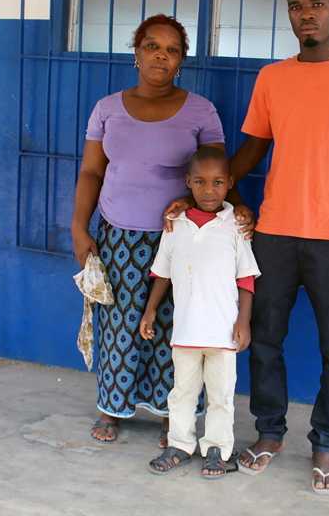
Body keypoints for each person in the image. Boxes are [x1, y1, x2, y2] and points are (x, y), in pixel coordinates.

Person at [166, 0, 329, 494]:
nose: (307, 14)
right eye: (296, 7)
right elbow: (251, 150)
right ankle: (270, 433)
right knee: (265, 339)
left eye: (317, 4)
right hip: (271, 236)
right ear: (289, 14)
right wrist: (209, 193)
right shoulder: (273, 78)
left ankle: (326, 442)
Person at [72, 14, 233, 446]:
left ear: (182, 60)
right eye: (152, 46)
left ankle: (172, 413)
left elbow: (213, 173)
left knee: (172, 322)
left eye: (173, 49)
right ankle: (112, 406)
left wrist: (190, 200)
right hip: (117, 235)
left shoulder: (201, 111)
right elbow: (91, 171)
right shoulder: (108, 108)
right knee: (119, 320)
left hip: (179, 237)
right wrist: (78, 227)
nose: (162, 55)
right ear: (137, 51)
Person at [139, 147, 260, 479]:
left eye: (219, 182)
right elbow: (161, 273)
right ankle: (179, 444)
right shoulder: (175, 225)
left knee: (221, 395)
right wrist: (150, 310)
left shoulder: (235, 225)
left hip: (223, 333)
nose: (210, 190)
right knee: (182, 392)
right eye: (202, 182)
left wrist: (243, 321)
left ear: (230, 183)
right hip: (186, 332)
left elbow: (246, 278)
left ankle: (217, 449)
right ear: (188, 182)